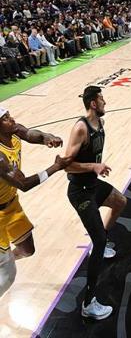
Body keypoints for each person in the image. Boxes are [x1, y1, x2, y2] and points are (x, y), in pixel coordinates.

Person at [64, 86, 127, 319]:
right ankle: (88, 304)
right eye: (101, 99)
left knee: (120, 202)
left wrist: (95, 169)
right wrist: (94, 166)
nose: (105, 102)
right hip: (80, 192)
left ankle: (103, 240)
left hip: (92, 185)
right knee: (98, 241)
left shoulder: (101, 123)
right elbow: (66, 165)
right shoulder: (81, 128)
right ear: (93, 103)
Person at [0, 107, 69, 298]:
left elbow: (31, 134)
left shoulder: (14, 131)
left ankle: (5, 259)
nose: (11, 119)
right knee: (7, 277)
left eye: (8, 115)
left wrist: (47, 137)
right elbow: (23, 184)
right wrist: (56, 167)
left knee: (27, 250)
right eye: (5, 119)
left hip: (11, 205)